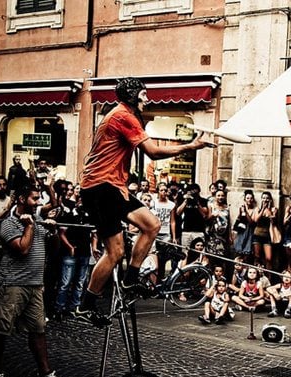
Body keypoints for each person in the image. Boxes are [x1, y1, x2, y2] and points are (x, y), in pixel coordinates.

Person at [75, 77, 207, 326]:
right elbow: (153, 152)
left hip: (112, 187)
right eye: (144, 94)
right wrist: (191, 146)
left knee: (152, 225)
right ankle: (86, 305)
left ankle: (130, 278)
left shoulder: (123, 115)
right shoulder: (124, 116)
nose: (148, 99)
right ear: (133, 95)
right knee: (114, 252)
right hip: (100, 187)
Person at [0, 185, 66, 377]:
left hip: (35, 284)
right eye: (35, 198)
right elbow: (22, 249)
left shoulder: (38, 220)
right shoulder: (7, 224)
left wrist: (53, 231)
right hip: (12, 284)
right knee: (1, 329)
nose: (39, 202)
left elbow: (55, 249)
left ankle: (45, 371)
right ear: (22, 199)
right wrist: (30, 227)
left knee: (38, 328)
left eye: (40, 198)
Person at [54, 193, 94, 321]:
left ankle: (75, 308)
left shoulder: (90, 215)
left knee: (80, 283)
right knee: (65, 282)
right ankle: (59, 308)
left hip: (84, 252)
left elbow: (94, 233)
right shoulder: (69, 215)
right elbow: (62, 233)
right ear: (78, 201)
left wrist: (94, 247)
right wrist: (70, 246)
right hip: (70, 253)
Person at [151, 183, 175, 280]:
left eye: (165, 190)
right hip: (155, 232)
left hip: (165, 233)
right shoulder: (154, 203)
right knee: (154, 256)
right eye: (161, 190)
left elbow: (172, 221)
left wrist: (173, 237)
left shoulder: (171, 204)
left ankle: (161, 278)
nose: (163, 192)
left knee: (163, 258)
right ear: (158, 191)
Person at [175, 183, 208, 250]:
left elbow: (204, 214)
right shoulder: (184, 200)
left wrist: (197, 203)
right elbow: (178, 212)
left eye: (195, 192)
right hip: (186, 230)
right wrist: (186, 200)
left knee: (199, 253)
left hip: (199, 231)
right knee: (185, 252)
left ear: (199, 191)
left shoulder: (203, 200)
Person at [252, 191, 279, 270]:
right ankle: (255, 276)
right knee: (257, 257)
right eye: (263, 198)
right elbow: (256, 220)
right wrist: (263, 208)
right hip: (257, 235)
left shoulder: (274, 209)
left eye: (267, 198)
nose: (265, 200)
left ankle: (268, 279)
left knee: (269, 258)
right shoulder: (258, 209)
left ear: (270, 199)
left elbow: (273, 220)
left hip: (268, 236)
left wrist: (268, 209)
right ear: (261, 199)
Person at [205, 189, 231, 262]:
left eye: (222, 195)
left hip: (223, 236)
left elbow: (229, 222)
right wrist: (213, 216)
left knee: (222, 257)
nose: (220, 197)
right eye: (218, 195)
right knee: (212, 256)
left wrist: (230, 236)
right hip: (213, 235)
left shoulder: (227, 207)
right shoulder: (211, 206)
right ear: (215, 197)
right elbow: (207, 219)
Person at [233, 189, 257, 260]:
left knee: (247, 252)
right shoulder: (241, 208)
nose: (249, 200)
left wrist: (246, 212)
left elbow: (251, 222)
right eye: (247, 198)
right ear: (245, 199)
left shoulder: (255, 209)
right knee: (239, 251)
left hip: (249, 231)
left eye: (251, 198)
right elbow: (238, 219)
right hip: (241, 231)